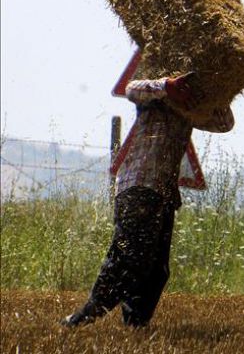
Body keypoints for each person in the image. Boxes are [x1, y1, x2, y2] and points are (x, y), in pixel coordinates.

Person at [62, 69, 233, 327]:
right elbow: (132, 88)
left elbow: (224, 124)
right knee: (131, 258)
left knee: (157, 270)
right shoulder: (153, 96)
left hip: (163, 194)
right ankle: (84, 316)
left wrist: (217, 94)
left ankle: (135, 326)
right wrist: (167, 86)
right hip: (139, 186)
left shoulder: (190, 106)